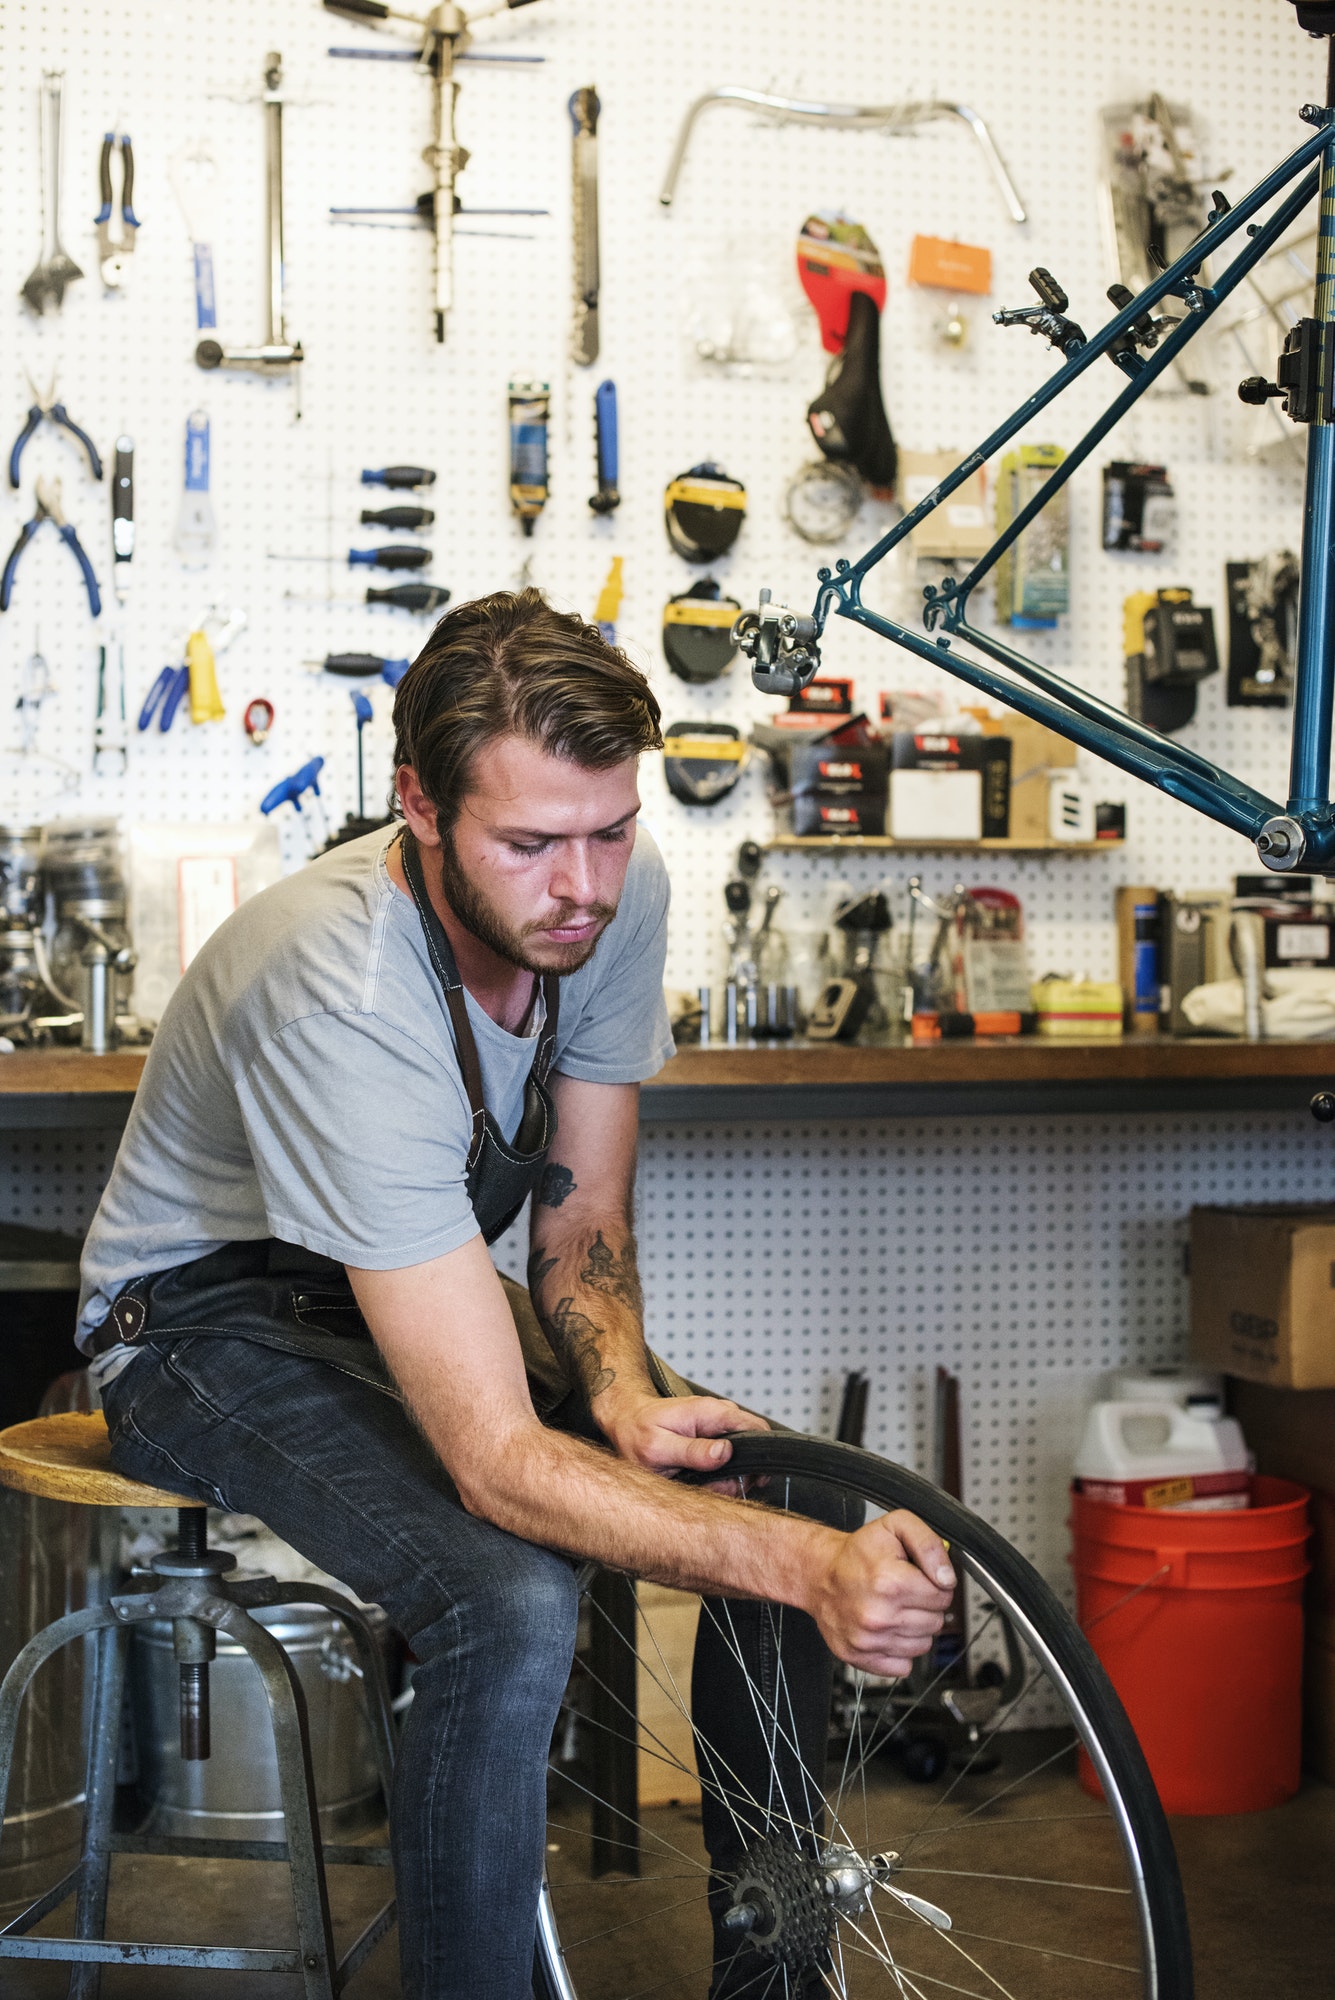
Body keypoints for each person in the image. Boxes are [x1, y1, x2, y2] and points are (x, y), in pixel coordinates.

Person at [79, 589, 955, 1999]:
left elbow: (582, 1214)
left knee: (783, 1483)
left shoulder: (613, 892)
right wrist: (809, 1577)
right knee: (509, 1598)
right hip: (193, 1327)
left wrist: (622, 1392)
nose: (583, 885)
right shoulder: (343, 985)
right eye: (532, 844)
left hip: (390, 1285)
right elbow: (494, 1464)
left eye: (608, 831)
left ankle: (774, 1982)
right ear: (420, 806)